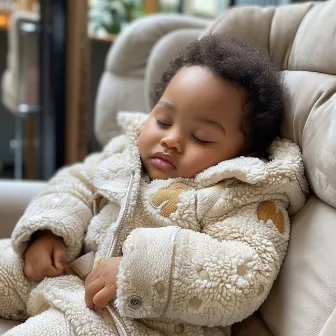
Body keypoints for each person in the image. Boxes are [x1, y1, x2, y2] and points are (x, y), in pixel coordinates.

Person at [0, 35, 308, 336]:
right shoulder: (128, 153)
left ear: (244, 153)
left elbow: (244, 272)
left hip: (128, 320)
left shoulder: (246, 194)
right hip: (70, 270)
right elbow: (77, 182)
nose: (171, 139)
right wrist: (48, 231)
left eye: (200, 137)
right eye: (162, 120)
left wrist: (136, 271)